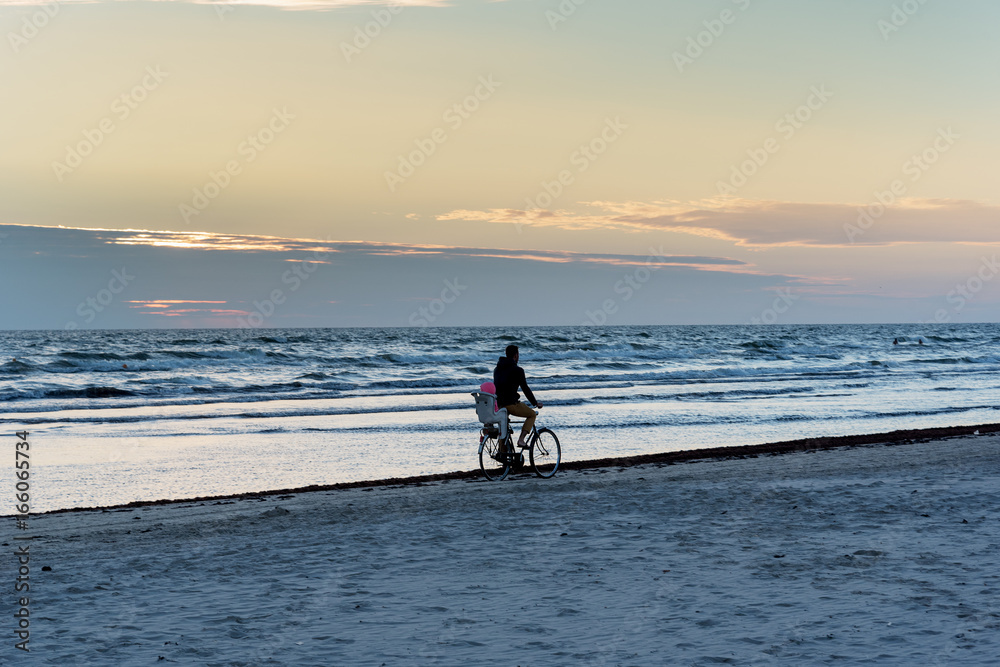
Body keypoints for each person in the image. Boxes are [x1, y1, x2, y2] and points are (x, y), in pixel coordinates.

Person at [493, 345, 542, 450]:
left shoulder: (496, 369)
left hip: (499, 405)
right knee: (532, 414)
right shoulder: (518, 370)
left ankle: (502, 454)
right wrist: (535, 403)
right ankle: (521, 440)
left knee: (503, 429)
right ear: (515, 356)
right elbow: (525, 388)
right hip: (511, 404)